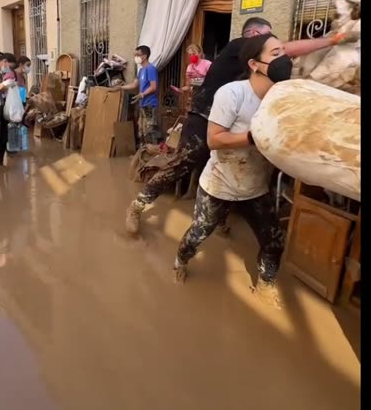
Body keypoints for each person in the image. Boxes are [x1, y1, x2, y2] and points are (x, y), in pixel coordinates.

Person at [124, 17, 355, 234]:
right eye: (267, 39)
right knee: (182, 164)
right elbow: (286, 49)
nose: (274, 49)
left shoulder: (255, 67)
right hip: (203, 116)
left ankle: (218, 220)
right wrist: (331, 40)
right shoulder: (238, 46)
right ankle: (137, 205)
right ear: (253, 35)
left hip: (232, 122)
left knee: (229, 167)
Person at [172, 32, 292, 306]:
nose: (283, 58)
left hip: (256, 186)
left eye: (284, 52)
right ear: (254, 64)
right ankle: (179, 261)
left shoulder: (282, 97)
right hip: (219, 184)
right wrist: (253, 137)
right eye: (275, 54)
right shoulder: (232, 93)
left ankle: (265, 283)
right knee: (198, 235)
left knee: (274, 240)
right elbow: (214, 140)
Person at [108, 45, 161, 144]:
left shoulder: (150, 69)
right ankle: (143, 153)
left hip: (149, 105)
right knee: (141, 130)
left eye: (138, 54)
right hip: (142, 104)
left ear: (144, 56)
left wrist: (142, 94)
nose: (135, 57)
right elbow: (134, 85)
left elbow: (153, 87)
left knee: (149, 130)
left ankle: (152, 154)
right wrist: (120, 87)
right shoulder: (141, 71)